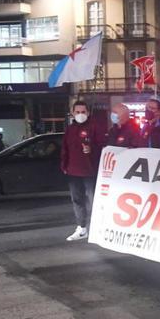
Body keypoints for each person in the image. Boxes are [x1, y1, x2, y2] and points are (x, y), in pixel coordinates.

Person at [61, 100, 107, 241]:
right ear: (72, 113)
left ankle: (99, 228)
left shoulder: (95, 127)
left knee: (94, 200)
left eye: (83, 112)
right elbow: (65, 148)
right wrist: (64, 165)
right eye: (77, 112)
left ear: (88, 112)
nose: (80, 114)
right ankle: (81, 228)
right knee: (77, 200)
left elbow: (103, 146)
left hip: (90, 171)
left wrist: (92, 149)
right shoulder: (70, 129)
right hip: (73, 171)